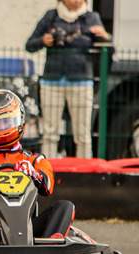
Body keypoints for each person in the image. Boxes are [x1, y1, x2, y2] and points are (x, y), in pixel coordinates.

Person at [0, 89, 75, 241]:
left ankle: (52, 243)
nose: (2, 128)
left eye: (7, 121)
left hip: (25, 227)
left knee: (65, 206)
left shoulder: (34, 160)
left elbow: (48, 187)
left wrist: (34, 174)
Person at [25, 0, 112, 158]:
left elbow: (109, 48)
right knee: (50, 133)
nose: (77, 1)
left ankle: (84, 168)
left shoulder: (91, 18)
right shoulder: (51, 16)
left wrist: (106, 37)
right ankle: (47, 167)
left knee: (83, 135)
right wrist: (43, 41)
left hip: (81, 80)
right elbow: (29, 45)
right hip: (52, 80)